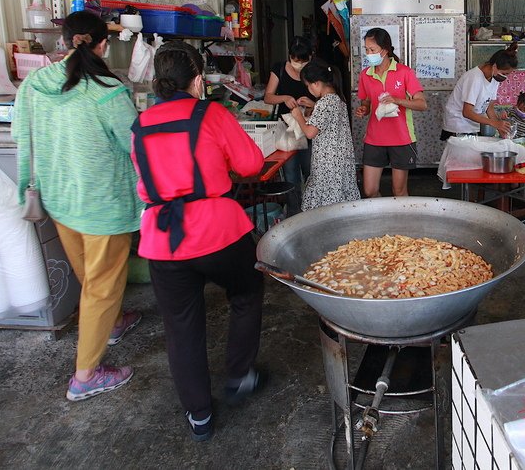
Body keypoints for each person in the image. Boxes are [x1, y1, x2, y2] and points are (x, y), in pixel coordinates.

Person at [130, 41, 266, 442]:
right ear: (197, 79)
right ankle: (240, 374)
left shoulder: (141, 124)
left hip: (163, 241)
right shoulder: (211, 113)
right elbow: (251, 165)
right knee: (247, 289)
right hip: (216, 229)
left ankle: (199, 414)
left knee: (180, 326)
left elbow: (144, 181)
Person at [13, 10, 142, 402]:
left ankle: (114, 322)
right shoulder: (107, 90)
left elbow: (23, 139)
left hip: (57, 198)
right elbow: (135, 147)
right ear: (102, 44)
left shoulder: (34, 84)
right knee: (102, 285)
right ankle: (86, 375)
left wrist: (25, 189)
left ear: (66, 41)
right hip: (102, 203)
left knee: (90, 274)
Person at [353, 28, 427, 198]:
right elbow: (366, 101)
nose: (368, 53)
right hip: (374, 138)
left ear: (385, 50)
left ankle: (401, 224)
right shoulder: (366, 75)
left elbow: (422, 104)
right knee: (370, 191)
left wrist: (397, 100)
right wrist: (364, 109)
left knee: (399, 191)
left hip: (401, 139)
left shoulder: (404, 72)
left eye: (372, 50)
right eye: (366, 49)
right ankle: (381, 221)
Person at [290, 59, 362, 210]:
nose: (308, 89)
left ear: (316, 83)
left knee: (326, 205)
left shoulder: (324, 103)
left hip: (327, 163)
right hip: (340, 161)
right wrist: (313, 105)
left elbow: (310, 133)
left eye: (308, 86)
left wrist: (298, 116)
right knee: (340, 200)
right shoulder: (337, 99)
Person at [263, 36, 315, 212]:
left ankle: (312, 210)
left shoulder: (313, 71)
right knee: (291, 175)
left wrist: (311, 105)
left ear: (311, 57)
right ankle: (294, 213)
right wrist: (284, 98)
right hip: (286, 131)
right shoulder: (279, 69)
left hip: (309, 128)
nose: (298, 64)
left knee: (311, 172)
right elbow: (268, 97)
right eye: (295, 60)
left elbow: (324, 98)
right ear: (290, 56)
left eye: (302, 61)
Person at [442, 43, 519, 139]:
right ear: (494, 66)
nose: (505, 77)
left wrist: (501, 129)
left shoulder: (495, 78)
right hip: (457, 126)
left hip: (472, 125)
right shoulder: (474, 78)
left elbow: (489, 108)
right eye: (504, 73)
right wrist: (494, 123)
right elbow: (467, 112)